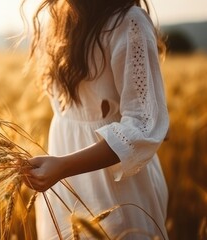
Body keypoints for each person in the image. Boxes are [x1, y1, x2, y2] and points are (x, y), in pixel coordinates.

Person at [21, 0, 170, 239]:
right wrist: (58, 167)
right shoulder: (55, 22)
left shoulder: (128, 22)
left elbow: (142, 124)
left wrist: (64, 166)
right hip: (63, 176)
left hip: (115, 182)